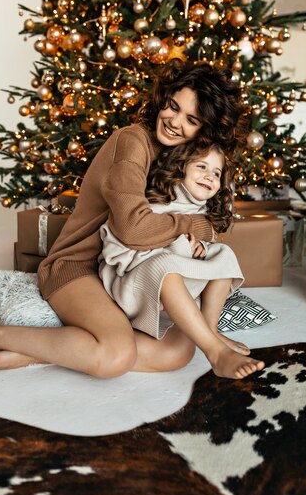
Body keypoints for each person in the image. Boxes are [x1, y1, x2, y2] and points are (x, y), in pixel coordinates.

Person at [0, 60, 264, 380]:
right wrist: (196, 227)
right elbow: (133, 229)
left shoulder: (188, 159)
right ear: (163, 99)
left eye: (191, 119)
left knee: (177, 353)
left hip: (125, 275)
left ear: (205, 130)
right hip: (79, 268)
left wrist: (208, 320)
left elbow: (200, 221)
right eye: (173, 106)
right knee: (114, 357)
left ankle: (42, 350)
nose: (175, 121)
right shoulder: (132, 141)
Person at [99, 143, 254, 377]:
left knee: (223, 254)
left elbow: (195, 243)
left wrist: (200, 246)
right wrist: (180, 245)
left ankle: (210, 328)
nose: (208, 176)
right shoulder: (155, 203)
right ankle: (215, 353)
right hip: (134, 285)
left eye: (216, 173)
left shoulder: (199, 210)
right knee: (166, 271)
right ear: (181, 167)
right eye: (201, 166)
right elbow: (122, 247)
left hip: (173, 281)